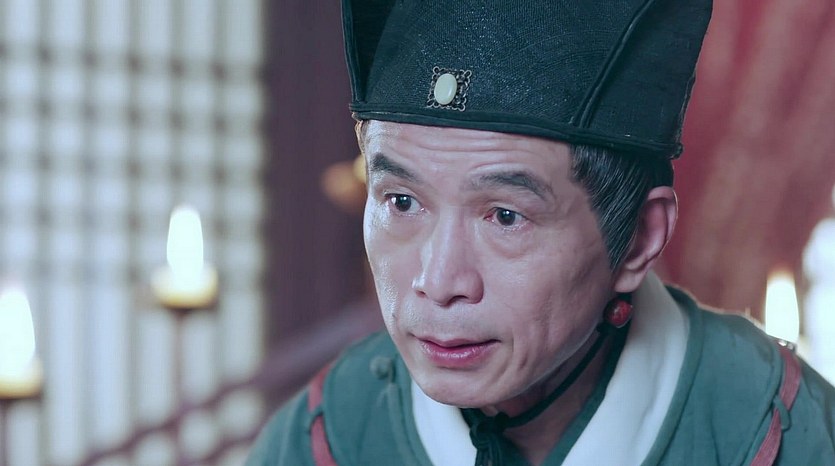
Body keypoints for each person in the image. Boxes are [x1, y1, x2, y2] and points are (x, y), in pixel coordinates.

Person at [247, 0, 835, 464]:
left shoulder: (775, 430)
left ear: (638, 239)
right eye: (402, 202)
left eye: (505, 216)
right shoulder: (329, 433)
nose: (439, 281)